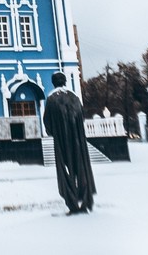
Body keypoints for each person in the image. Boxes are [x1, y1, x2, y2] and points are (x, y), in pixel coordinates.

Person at [42, 72, 95, 214]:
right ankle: (85, 201)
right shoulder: (75, 98)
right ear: (65, 81)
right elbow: (81, 116)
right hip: (78, 140)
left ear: (54, 83)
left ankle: (72, 203)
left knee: (65, 171)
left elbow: (47, 121)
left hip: (62, 141)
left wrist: (55, 132)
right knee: (82, 167)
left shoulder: (52, 99)